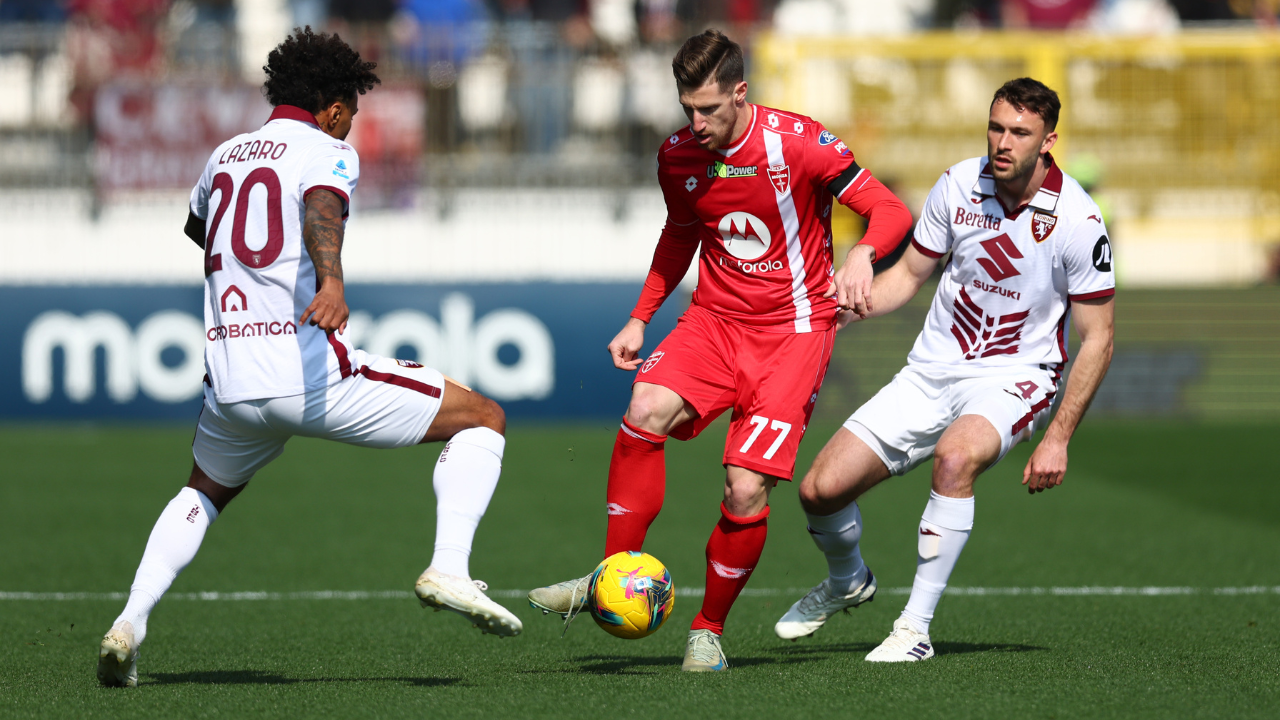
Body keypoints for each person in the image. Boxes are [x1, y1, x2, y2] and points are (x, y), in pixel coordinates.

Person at [96, 27, 522, 688]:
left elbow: (200, 231)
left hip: (232, 379)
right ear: (332, 106)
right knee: (483, 417)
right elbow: (322, 202)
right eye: (349, 113)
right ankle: (449, 567)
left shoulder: (225, 155)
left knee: (202, 491)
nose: (349, 127)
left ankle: (129, 622)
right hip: (307, 373)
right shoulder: (325, 149)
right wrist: (330, 279)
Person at [527, 29, 913, 672]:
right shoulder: (677, 156)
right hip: (712, 322)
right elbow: (680, 235)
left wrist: (865, 253)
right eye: (687, 109)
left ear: (740, 92)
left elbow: (889, 209)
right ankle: (610, 574)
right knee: (644, 406)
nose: (697, 122)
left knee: (744, 490)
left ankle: (708, 630)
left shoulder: (799, 143)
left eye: (709, 108)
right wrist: (639, 317)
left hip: (792, 334)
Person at [773, 77, 1115, 662]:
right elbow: (907, 276)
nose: (1003, 143)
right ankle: (848, 579)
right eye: (996, 127)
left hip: (1016, 376)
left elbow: (1099, 337)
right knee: (819, 491)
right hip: (930, 371)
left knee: (956, 459)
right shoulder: (957, 184)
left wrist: (1058, 437)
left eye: (1020, 133)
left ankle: (914, 630)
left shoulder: (1079, 220)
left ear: (1049, 140)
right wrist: (832, 315)